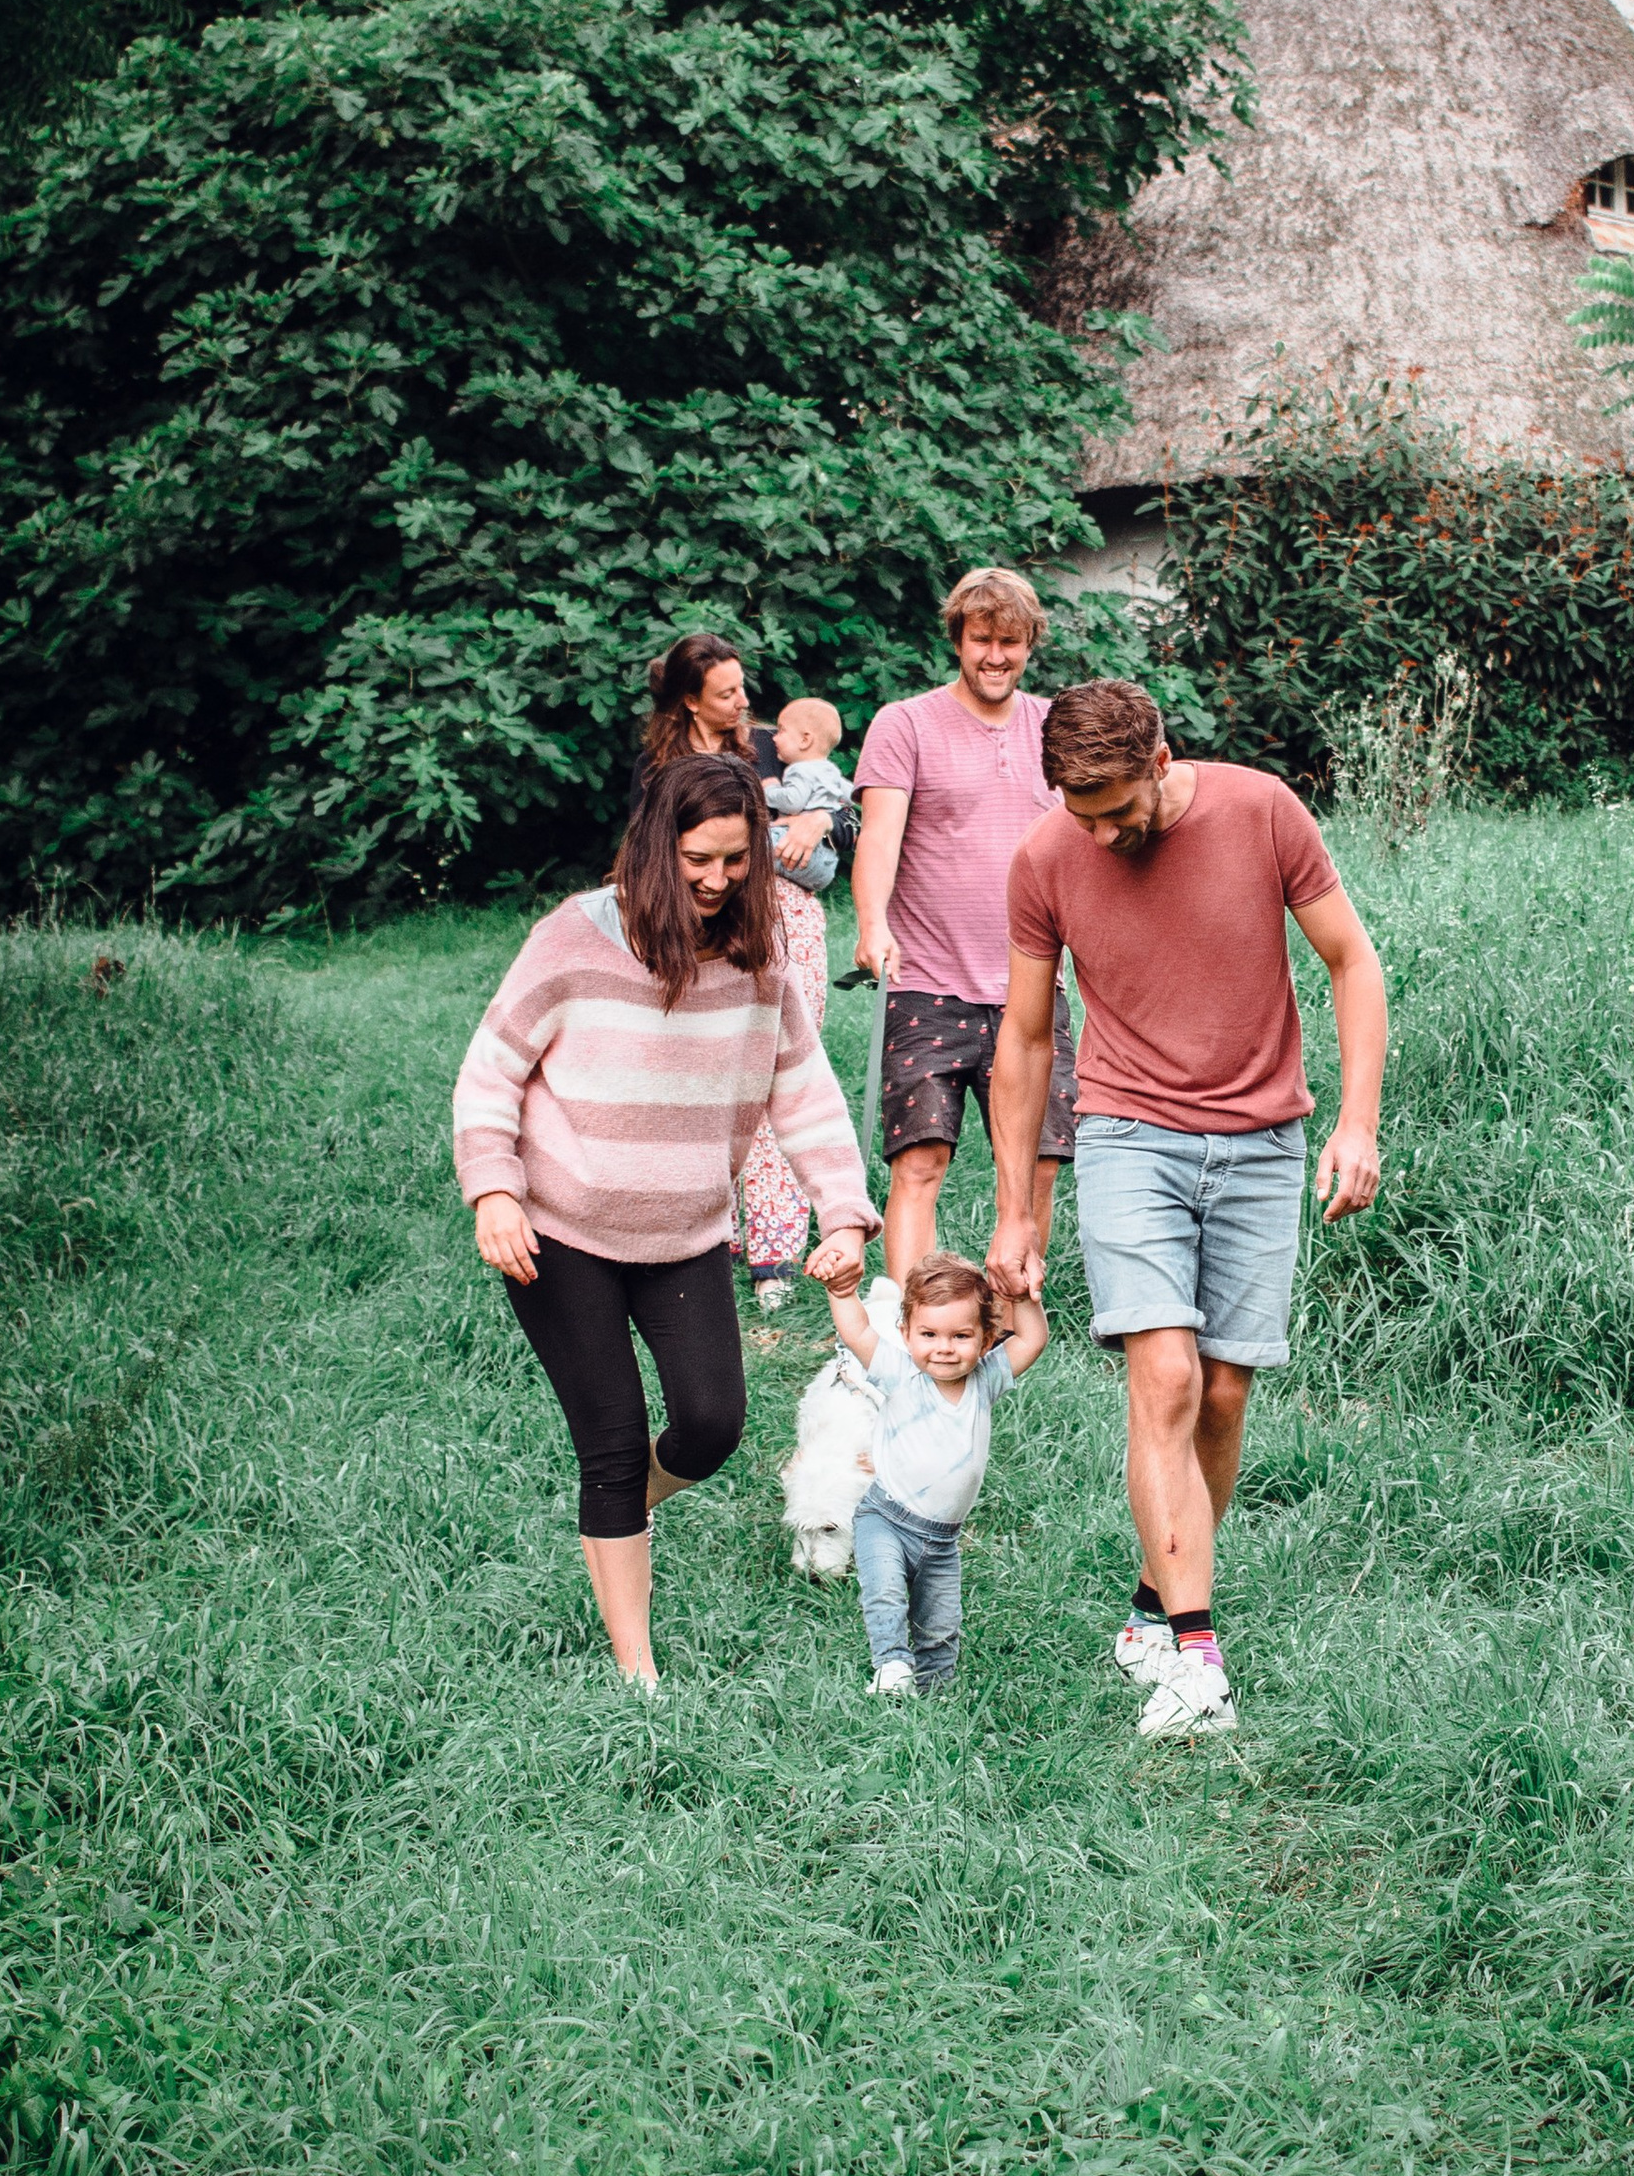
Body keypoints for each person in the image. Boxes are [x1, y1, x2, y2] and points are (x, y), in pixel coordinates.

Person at [986, 679, 1387, 1742]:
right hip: (1127, 1134)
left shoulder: (1263, 811)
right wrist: (1017, 1210)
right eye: (1084, 815)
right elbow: (1025, 1040)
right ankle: (1195, 1660)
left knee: (1218, 1396)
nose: (1104, 834)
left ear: (1161, 759)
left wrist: (1357, 1124)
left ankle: (1150, 1609)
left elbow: (1351, 959)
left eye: (1118, 808)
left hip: (1262, 1144)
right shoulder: (1046, 859)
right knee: (1161, 1376)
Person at [454, 747, 877, 1689]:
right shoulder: (575, 937)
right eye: (699, 861)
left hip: (684, 1233)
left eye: (738, 860)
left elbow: (803, 1093)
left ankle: (615, 1513)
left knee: (712, 1424)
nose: (720, 879)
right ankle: (637, 1672)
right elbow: (491, 1073)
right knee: (609, 1442)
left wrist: (842, 1215)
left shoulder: (758, 956)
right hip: (557, 1233)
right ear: (657, 847)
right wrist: (493, 1189)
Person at [851, 567, 1081, 1284]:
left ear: (1030, 644)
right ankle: (908, 1328)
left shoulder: (1056, 727)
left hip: (1032, 984)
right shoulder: (906, 722)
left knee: (1037, 1169)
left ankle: (1012, 1319)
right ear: (958, 638)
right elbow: (879, 837)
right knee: (920, 1160)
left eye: (1010, 642)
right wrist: (870, 923)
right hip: (928, 980)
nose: (995, 656)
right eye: (981, 639)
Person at [634, 633, 827, 1318]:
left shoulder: (775, 746)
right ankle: (703, 1240)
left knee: (780, 1077)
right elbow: (642, 859)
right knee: (699, 1085)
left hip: (782, 919)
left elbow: (847, 811)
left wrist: (819, 815)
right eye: (726, 692)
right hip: (694, 930)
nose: (746, 701)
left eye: (744, 686)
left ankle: (774, 1253)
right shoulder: (658, 771)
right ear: (689, 701)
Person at [822, 1251, 1048, 1699]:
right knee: (885, 1593)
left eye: (961, 1335)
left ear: (987, 1340)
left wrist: (1023, 1297)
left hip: (942, 1541)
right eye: (929, 1334)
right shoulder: (901, 1374)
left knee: (942, 1627)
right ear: (906, 1335)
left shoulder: (985, 1381)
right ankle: (891, 1665)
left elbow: (1033, 1340)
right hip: (884, 1518)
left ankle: (934, 1700)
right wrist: (842, 1291)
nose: (944, 1347)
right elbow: (859, 1331)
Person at [764, 697, 854, 894]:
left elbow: (793, 802)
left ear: (805, 740)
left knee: (751, 840)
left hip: (795, 851)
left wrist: (769, 791)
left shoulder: (800, 771)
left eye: (781, 731)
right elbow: (855, 796)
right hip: (826, 864)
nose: (774, 738)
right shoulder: (832, 772)